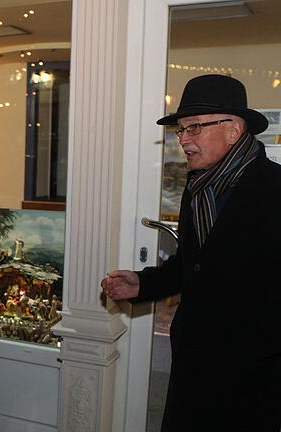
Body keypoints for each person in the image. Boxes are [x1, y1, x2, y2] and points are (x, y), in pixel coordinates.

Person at [101, 74, 281, 431]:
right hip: (193, 367)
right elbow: (193, 264)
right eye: (181, 130)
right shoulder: (198, 188)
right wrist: (143, 284)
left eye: (194, 128)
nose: (183, 140)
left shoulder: (274, 189)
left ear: (232, 128)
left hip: (251, 379)